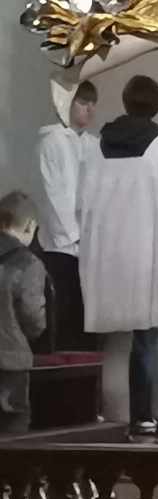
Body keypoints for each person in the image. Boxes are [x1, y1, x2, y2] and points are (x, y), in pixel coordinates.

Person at [79, 75, 158, 446]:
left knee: (119, 336)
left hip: (107, 258)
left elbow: (81, 206)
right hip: (152, 257)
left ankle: (125, 424)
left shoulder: (95, 150)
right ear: (157, 107)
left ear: (126, 102)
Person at [34, 80, 98, 347]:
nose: (90, 110)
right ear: (66, 104)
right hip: (61, 244)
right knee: (65, 312)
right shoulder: (51, 141)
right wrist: (74, 235)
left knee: (86, 321)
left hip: (89, 245)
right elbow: (54, 194)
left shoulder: (94, 145)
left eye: (93, 104)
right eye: (83, 103)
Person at [0, 192, 49, 437]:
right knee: (13, 434)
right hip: (9, 362)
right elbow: (32, 317)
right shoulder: (28, 263)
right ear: (30, 226)